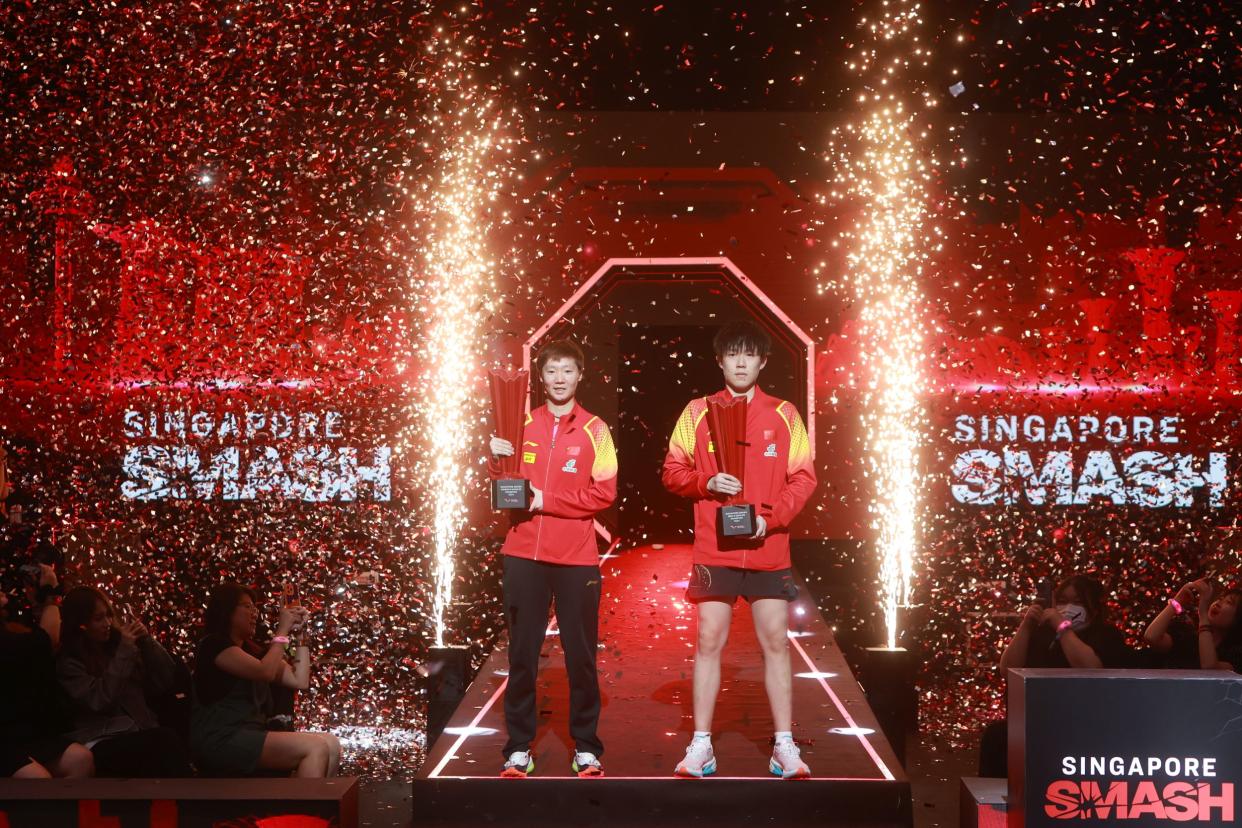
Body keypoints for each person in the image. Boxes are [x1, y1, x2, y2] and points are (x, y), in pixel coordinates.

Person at [661, 320, 817, 779]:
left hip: (769, 547)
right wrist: (704, 481)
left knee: (774, 642)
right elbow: (672, 470)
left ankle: (784, 746)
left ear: (763, 362)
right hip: (716, 548)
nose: (742, 362)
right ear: (721, 360)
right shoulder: (696, 412)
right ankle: (702, 745)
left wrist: (773, 519)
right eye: (734, 354)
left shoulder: (785, 414)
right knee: (709, 640)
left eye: (751, 355)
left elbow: (803, 476)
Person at [487, 339, 618, 778]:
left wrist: (546, 500)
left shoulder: (596, 431)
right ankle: (519, 747)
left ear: (579, 376)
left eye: (567, 371)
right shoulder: (521, 421)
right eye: (551, 372)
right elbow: (504, 485)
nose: (559, 379)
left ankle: (586, 746)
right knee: (522, 655)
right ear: (540, 378)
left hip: (576, 557)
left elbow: (604, 493)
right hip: (523, 553)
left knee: (580, 655)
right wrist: (495, 458)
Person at [979, 573, 1132, 777]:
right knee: (997, 736)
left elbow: (1091, 669)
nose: (1068, 607)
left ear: (1093, 607)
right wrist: (1026, 626)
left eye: (1077, 602)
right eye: (1062, 601)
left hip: (1086, 722)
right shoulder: (1042, 634)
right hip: (1038, 719)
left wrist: (1063, 628)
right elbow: (1007, 669)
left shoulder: (1106, 635)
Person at [190, 583, 340, 777]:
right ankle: (302, 807)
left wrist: (301, 635)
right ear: (226, 611)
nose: (254, 613)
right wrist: (282, 631)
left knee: (331, 743)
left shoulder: (253, 651)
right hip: (221, 738)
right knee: (315, 747)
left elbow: (299, 680)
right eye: (247, 607)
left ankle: (316, 804)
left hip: (251, 733)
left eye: (255, 607)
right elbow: (265, 672)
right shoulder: (214, 646)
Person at [56, 586, 192, 777]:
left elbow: (166, 679)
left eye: (108, 616)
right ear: (81, 624)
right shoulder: (70, 662)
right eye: (98, 619)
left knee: (174, 726)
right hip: (101, 738)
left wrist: (147, 642)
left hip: (140, 730)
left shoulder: (117, 646)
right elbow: (99, 700)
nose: (108, 623)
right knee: (164, 740)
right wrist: (124, 652)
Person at [0, 589, 95, 778]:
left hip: (18, 732)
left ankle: (65, 809)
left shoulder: (8, 630)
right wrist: (50, 594)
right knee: (37, 779)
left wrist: (39, 603)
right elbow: (47, 640)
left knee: (81, 759)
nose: (5, 597)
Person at [1143, 577, 1242, 670]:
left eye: (1228, 602)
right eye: (1220, 598)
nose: (1218, 603)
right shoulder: (1187, 635)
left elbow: (1209, 667)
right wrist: (1178, 600)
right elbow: (1151, 637)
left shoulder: (1235, 653)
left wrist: (1203, 613)